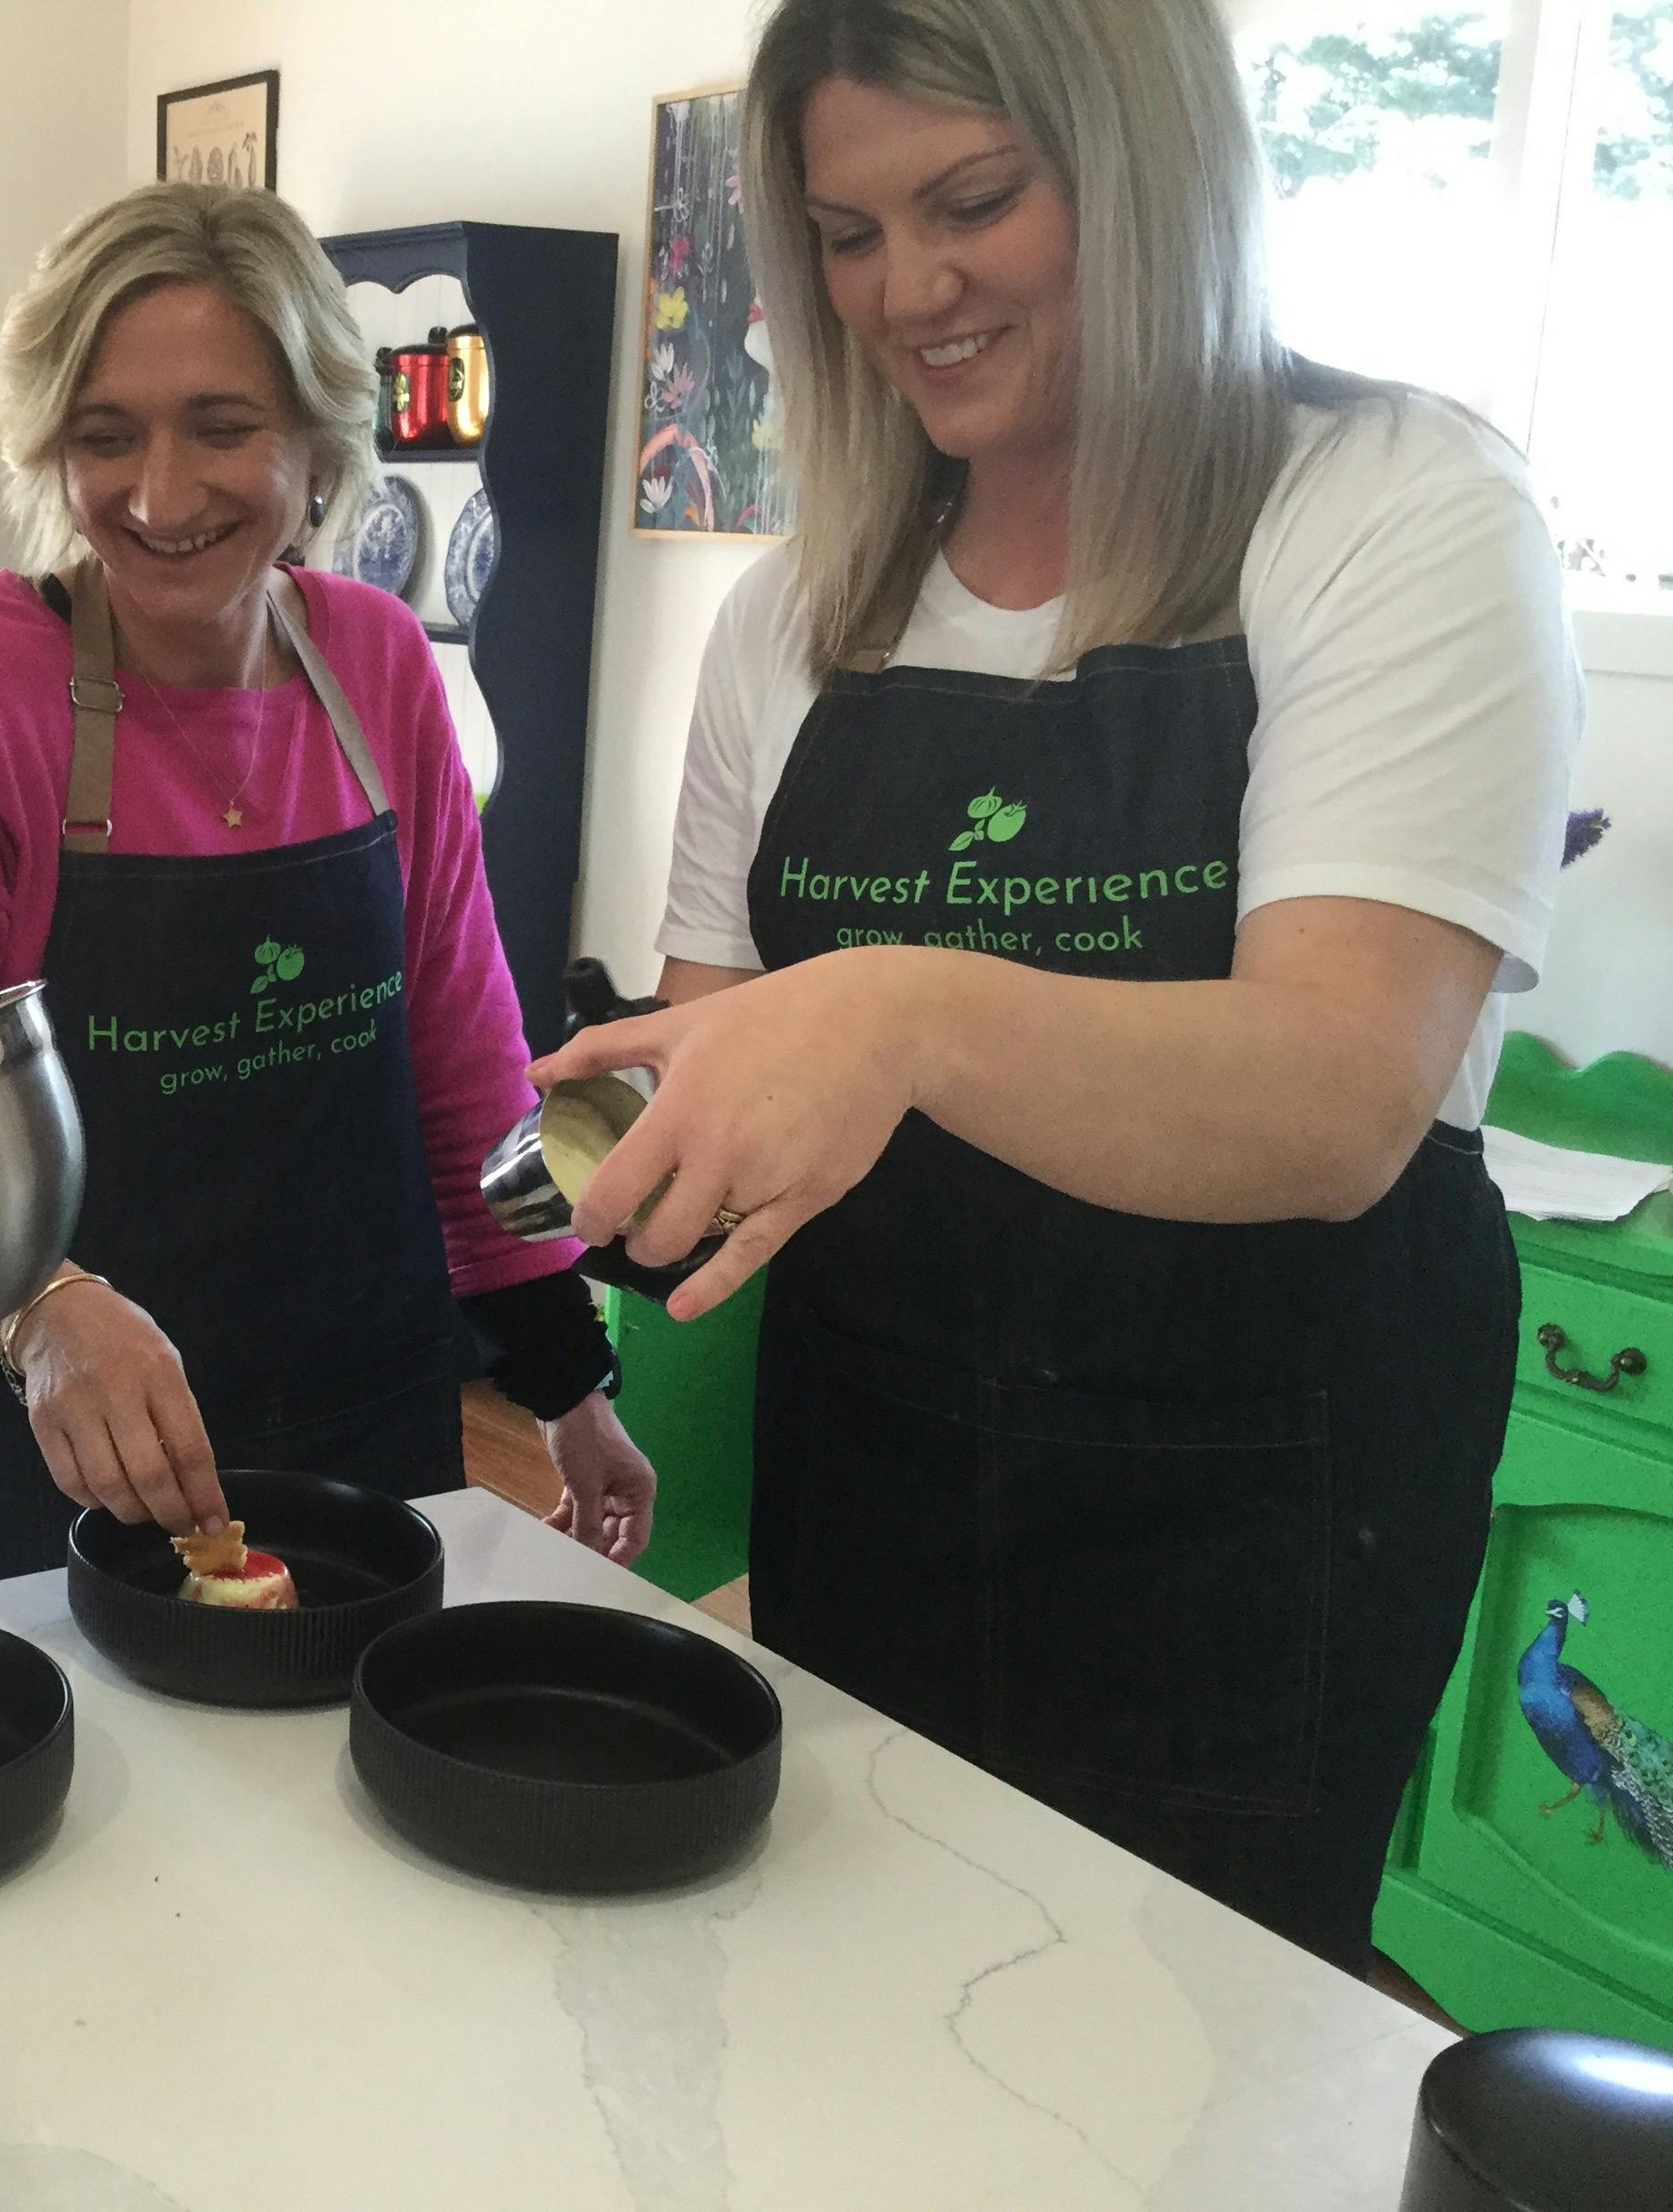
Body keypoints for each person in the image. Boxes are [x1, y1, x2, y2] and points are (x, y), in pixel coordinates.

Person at [535, 0, 1580, 1970]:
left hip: (1267, 1523)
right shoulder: (795, 614)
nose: (906, 288)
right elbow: (715, 1100)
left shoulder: (1390, 511)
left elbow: (1339, 1094)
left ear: (1150, 166)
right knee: (866, 2003)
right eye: (847, 233)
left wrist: (900, 1012)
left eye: (974, 202)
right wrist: (540, 1225)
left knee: (1183, 2068)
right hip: (882, 1469)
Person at [0, 183, 657, 1609]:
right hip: (18, 1439)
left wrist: (565, 1377)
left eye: (221, 425)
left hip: (350, 1435)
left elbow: (460, 1054)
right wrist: (45, 1307)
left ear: (318, 440)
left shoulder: (376, 666)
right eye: (104, 435)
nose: (159, 495)